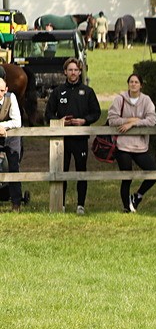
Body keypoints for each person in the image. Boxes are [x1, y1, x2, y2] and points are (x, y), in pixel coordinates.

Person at [46, 57, 101, 215]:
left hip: (80, 138)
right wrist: (59, 121)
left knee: (81, 171)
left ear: (80, 71)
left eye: (76, 70)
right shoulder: (58, 92)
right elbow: (48, 113)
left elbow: (96, 113)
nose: (73, 73)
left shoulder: (88, 91)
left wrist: (84, 120)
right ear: (65, 72)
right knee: (61, 171)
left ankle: (80, 205)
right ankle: (60, 204)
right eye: (70, 70)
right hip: (62, 140)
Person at [108, 73, 156, 213]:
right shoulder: (120, 99)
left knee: (154, 173)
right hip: (122, 145)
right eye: (131, 82)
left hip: (140, 145)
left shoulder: (146, 100)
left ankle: (137, 196)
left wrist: (134, 123)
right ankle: (126, 207)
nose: (133, 84)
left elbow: (152, 120)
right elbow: (112, 119)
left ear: (141, 85)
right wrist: (129, 120)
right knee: (127, 176)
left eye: (136, 82)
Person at [0, 77, 23, 212]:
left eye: (2, 90)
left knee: (14, 168)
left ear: (6, 90)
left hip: (11, 138)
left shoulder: (11, 98)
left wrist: (2, 126)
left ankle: (16, 203)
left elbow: (17, 121)